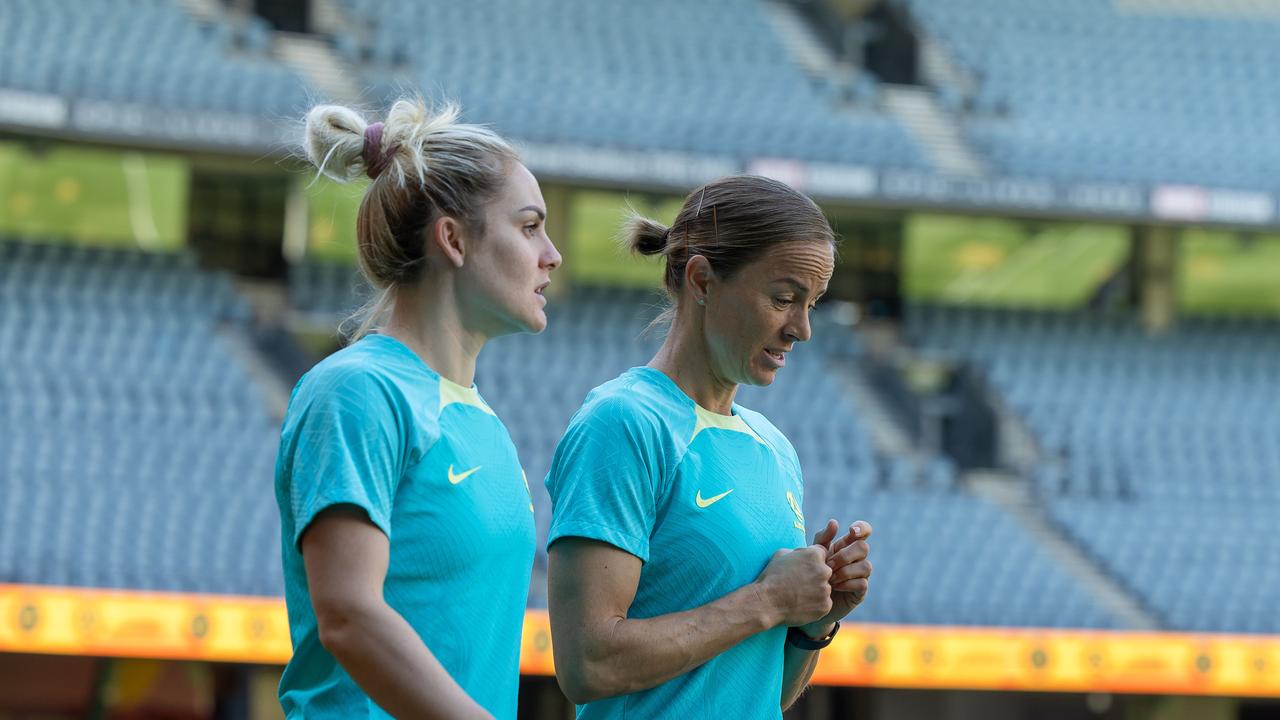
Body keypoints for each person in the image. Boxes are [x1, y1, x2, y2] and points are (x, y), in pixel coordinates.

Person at [274, 98, 561, 719]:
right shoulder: (357, 392)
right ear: (453, 239)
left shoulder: (483, 422)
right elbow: (349, 615)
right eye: (530, 226)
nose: (552, 254)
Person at [545, 175, 873, 717]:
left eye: (812, 303)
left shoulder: (775, 449)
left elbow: (763, 692)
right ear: (701, 280)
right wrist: (767, 602)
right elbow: (588, 664)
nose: (802, 329)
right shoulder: (624, 422)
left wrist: (813, 622)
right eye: (784, 298)